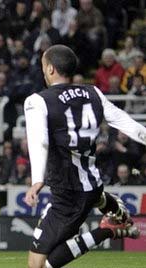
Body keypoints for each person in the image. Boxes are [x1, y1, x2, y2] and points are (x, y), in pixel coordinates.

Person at [23, 44, 144, 268]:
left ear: (50, 70)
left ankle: (108, 230)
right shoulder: (93, 92)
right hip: (92, 184)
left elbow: (39, 140)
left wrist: (37, 180)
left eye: (43, 66)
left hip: (68, 195)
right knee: (96, 197)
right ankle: (114, 211)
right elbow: (125, 121)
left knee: (37, 265)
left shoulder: (37, 101)